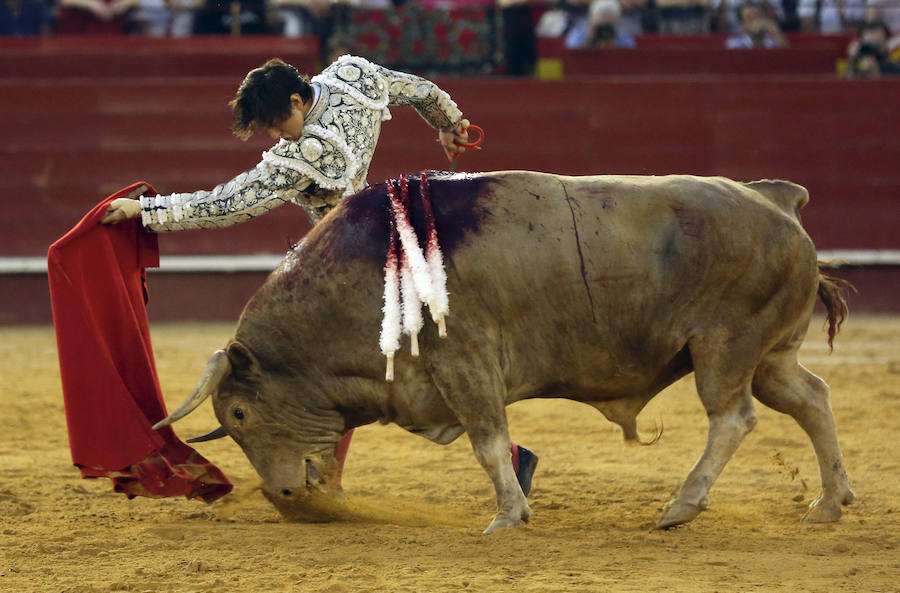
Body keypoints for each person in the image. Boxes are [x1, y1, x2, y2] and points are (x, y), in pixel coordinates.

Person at [99, 55, 540, 496]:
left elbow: (228, 203)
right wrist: (451, 123)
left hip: (350, 272)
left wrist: (148, 210)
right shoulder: (354, 75)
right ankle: (329, 475)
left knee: (360, 377)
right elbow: (420, 90)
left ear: (296, 99)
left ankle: (504, 456)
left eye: (277, 123)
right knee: (378, 371)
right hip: (395, 249)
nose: (275, 135)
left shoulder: (306, 153)